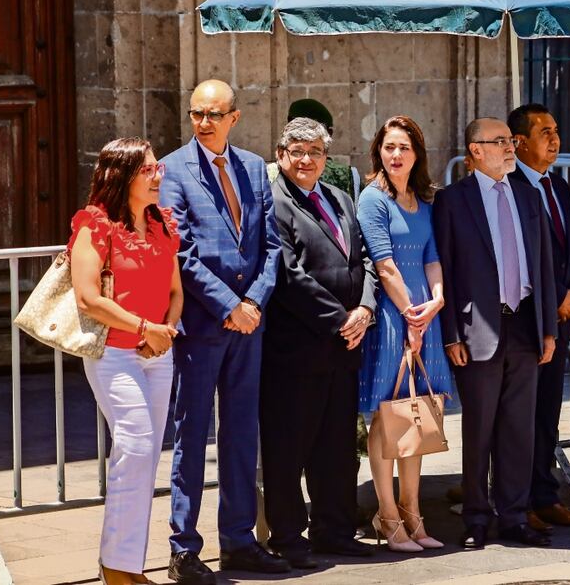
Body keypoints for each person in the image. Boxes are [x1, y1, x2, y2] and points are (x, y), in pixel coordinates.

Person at [161, 79, 286, 582]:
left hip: (248, 326)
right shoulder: (172, 169)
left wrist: (253, 301)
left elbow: (272, 247)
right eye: (197, 114)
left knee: (241, 435)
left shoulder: (255, 167)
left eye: (214, 114)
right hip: (202, 325)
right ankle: (183, 549)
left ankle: (238, 542)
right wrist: (229, 304)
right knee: (191, 436)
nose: (204, 122)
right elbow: (181, 251)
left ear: (235, 117)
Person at [434, 117, 558, 550]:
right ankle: (475, 517)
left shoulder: (529, 194)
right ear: (474, 150)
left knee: (518, 429)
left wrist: (548, 330)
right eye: (501, 141)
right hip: (477, 328)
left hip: (525, 323)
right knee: (480, 430)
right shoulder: (452, 201)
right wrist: (450, 334)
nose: (510, 147)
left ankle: (515, 515)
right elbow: (445, 269)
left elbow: (543, 267)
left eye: (512, 140)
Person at [259, 117, 377, 567]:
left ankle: (336, 529)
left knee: (336, 446)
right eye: (298, 151)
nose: (307, 159)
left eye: (315, 152)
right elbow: (289, 276)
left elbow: (364, 258)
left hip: (344, 348)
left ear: (326, 158)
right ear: (282, 155)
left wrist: (365, 309)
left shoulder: (340, 198)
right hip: (297, 349)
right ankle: (289, 538)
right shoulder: (273, 204)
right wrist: (340, 320)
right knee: (289, 449)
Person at [70, 138, 182, 585]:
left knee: (145, 459)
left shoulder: (161, 224)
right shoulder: (95, 225)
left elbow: (175, 291)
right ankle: (116, 568)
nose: (159, 176)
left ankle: (126, 566)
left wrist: (166, 331)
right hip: (116, 354)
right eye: (149, 170)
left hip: (157, 353)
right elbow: (87, 297)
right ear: (123, 175)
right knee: (133, 450)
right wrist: (143, 329)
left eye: (158, 169)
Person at [357, 115, 453, 552]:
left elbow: (433, 258)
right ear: (379, 150)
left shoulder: (425, 202)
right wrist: (412, 315)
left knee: (416, 412)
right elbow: (384, 263)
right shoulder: (372, 199)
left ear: (417, 155)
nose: (396, 155)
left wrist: (436, 301)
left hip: (422, 316)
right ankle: (387, 515)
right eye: (389, 147)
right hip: (393, 316)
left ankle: (414, 514)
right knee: (386, 415)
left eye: (404, 148)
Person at [509, 104, 570, 531]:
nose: (555, 138)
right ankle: (515, 500)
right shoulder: (507, 187)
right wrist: (554, 298)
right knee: (518, 415)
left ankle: (544, 494)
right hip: (525, 320)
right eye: (545, 131)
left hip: (561, 316)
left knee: (547, 411)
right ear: (519, 141)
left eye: (556, 129)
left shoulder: (558, 187)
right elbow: (519, 258)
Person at [265, 98, 358, 200]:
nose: (306, 161)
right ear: (280, 154)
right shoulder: (349, 176)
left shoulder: (267, 173)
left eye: (315, 152)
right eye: (297, 152)